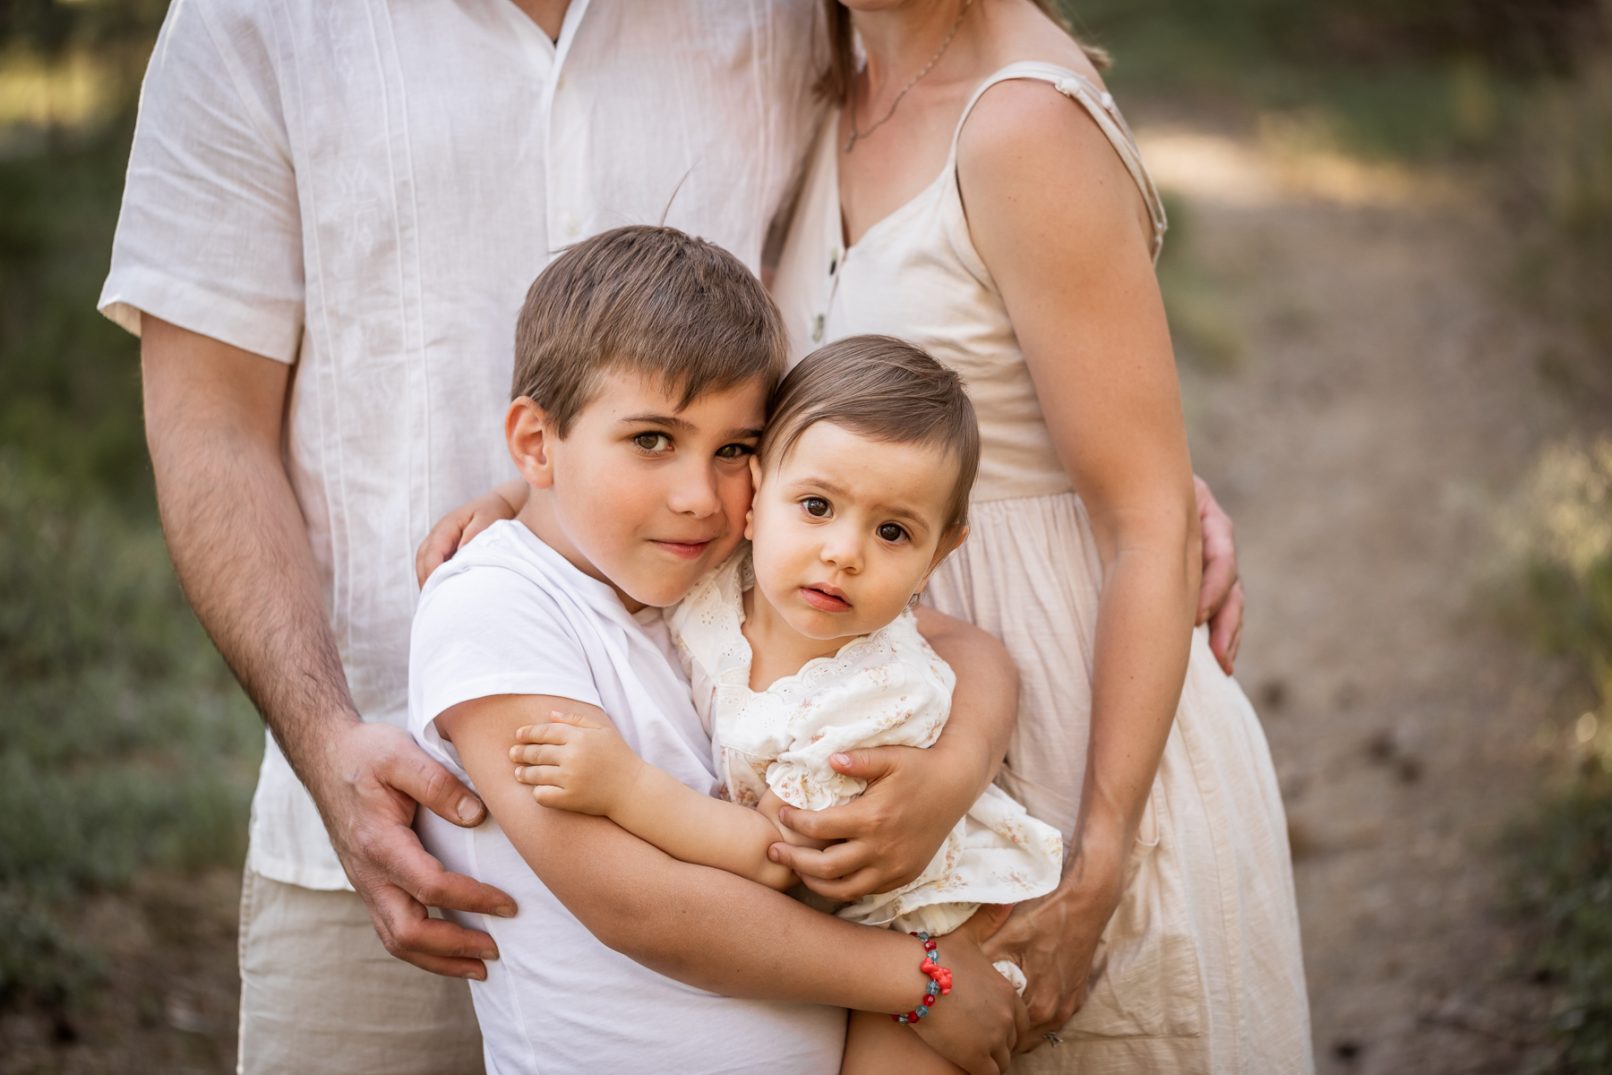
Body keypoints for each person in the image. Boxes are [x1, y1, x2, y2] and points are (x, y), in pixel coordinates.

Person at [102, 0, 1245, 1069]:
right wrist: (322, 737)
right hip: (381, 792)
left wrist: (1121, 475)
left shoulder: (786, 15)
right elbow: (210, 426)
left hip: (745, 805)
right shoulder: (253, 20)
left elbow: (929, 239)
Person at [762, 0, 1313, 1070]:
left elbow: (1147, 522)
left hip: (1068, 748)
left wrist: (1095, 870)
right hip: (896, 727)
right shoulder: (831, 87)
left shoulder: (1022, 123)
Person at [409, 224, 1028, 1073]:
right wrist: (921, 981)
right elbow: (640, 908)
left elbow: (968, 650)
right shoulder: (495, 602)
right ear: (534, 442)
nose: (701, 497)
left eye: (734, 449)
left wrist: (954, 769)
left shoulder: (727, 566)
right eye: (653, 441)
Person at [515, 334, 1066, 1071]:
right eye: (815, 505)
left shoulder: (879, 698)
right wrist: (504, 502)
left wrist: (624, 786)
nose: (843, 551)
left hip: (922, 928)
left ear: (939, 554)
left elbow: (775, 860)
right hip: (826, 940)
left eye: (893, 530)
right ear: (755, 497)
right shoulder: (721, 576)